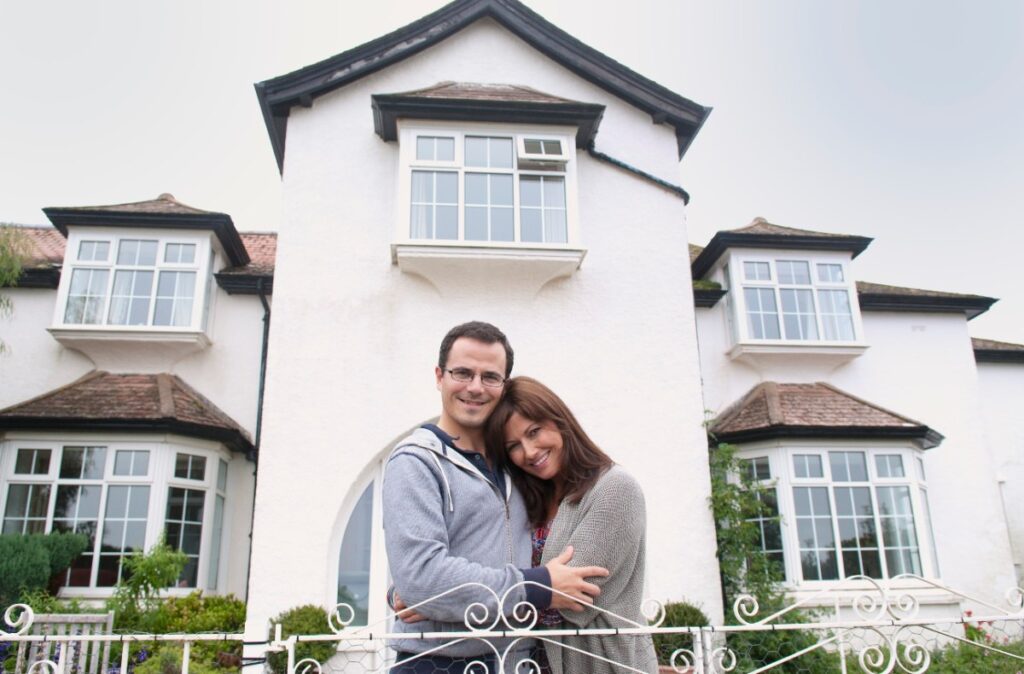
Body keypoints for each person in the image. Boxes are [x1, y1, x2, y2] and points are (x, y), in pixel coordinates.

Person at [381, 322, 609, 674]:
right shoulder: (415, 461)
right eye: (462, 373)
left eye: (490, 377)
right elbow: (422, 576)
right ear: (440, 376)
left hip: (519, 660)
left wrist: (433, 592)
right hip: (440, 664)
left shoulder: (517, 465)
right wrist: (538, 587)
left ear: (504, 386)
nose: (475, 387)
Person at [486, 376, 659, 674]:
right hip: (532, 663)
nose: (528, 452)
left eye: (534, 432)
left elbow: (570, 598)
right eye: (514, 445)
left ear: (560, 420)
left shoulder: (614, 489)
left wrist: (462, 593)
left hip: (602, 664)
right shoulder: (530, 501)